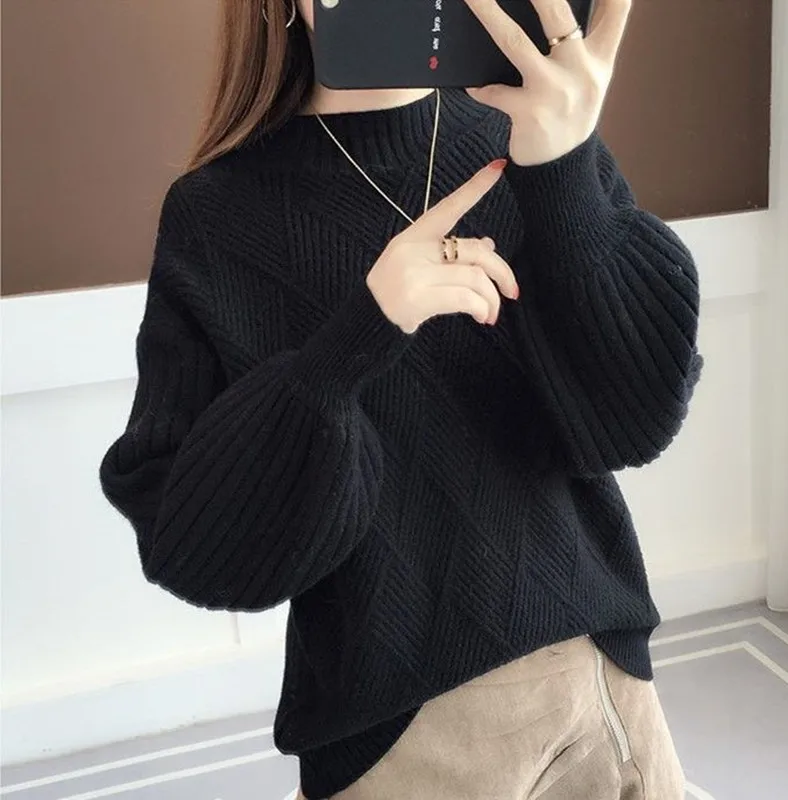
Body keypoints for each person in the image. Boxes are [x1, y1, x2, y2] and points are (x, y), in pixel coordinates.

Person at [100, 0, 703, 798]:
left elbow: (634, 421)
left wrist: (565, 169)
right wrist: (361, 333)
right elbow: (194, 542)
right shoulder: (217, 214)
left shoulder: (533, 135)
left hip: (605, 693)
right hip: (403, 739)